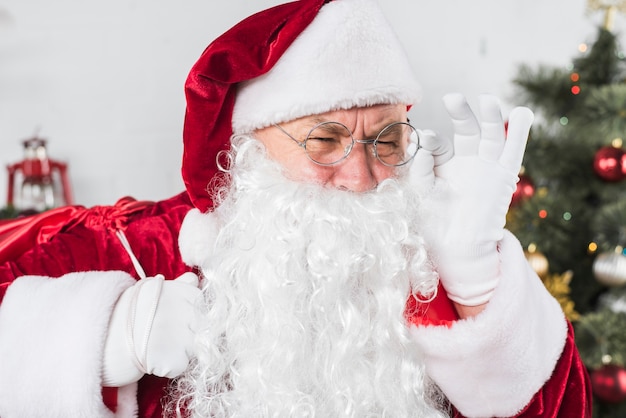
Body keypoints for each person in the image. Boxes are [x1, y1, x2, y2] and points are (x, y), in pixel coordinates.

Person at [0, 0, 592, 417]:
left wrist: (477, 282)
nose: (361, 177)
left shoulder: (422, 263)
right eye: (325, 140)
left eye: (386, 140)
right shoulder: (134, 244)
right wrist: (108, 336)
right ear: (246, 153)